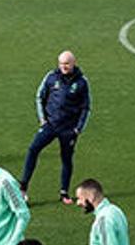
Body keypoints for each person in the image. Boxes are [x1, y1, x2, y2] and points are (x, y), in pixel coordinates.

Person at [19, 51, 91, 204]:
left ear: (73, 63)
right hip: (50, 125)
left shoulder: (82, 82)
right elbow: (40, 97)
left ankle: (64, 192)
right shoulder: (51, 77)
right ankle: (23, 186)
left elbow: (86, 107)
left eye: (67, 64)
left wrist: (78, 129)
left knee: (66, 159)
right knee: (33, 149)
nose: (63, 66)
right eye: (61, 63)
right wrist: (43, 120)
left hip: (69, 129)